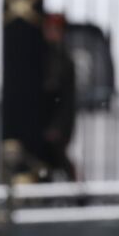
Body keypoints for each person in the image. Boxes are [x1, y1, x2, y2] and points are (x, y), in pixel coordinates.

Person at [41, 13, 78, 181]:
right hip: (45, 116)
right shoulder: (43, 55)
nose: (51, 34)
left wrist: (59, 126)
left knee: (58, 156)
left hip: (58, 120)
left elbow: (67, 99)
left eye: (55, 30)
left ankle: (76, 188)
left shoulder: (65, 59)